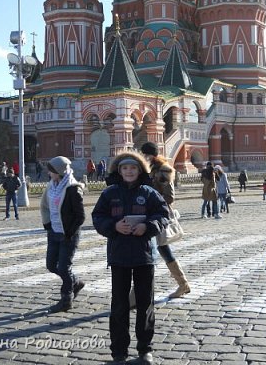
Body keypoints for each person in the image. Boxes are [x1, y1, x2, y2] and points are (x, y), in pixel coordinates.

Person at [92, 151, 169, 365]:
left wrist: (147, 226)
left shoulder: (149, 192)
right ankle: (118, 351)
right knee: (119, 305)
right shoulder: (109, 193)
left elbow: (163, 215)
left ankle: (145, 348)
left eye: (133, 168)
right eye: (125, 168)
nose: (129, 171)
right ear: (119, 170)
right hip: (119, 256)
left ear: (140, 170)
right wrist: (113, 226)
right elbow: (98, 217)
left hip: (144, 256)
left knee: (145, 304)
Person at [141, 141, 190, 299]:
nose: (143, 157)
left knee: (158, 250)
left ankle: (182, 284)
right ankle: (182, 284)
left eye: (145, 154)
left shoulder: (163, 170)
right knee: (161, 249)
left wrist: (152, 199)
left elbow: (169, 196)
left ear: (151, 155)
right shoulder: (148, 170)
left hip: (158, 216)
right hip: (149, 216)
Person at [40, 156, 85, 313]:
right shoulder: (51, 186)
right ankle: (75, 283)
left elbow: (80, 216)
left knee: (64, 268)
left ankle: (66, 299)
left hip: (68, 234)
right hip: (53, 232)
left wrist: (70, 233)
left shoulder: (73, 188)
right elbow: (44, 206)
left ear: (58, 172)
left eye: (51, 170)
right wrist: (48, 225)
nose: (48, 172)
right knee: (51, 265)